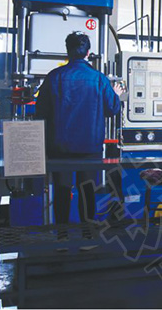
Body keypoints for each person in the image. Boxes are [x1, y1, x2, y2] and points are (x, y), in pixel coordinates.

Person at [35, 32, 124, 239]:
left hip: (59, 147)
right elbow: (112, 109)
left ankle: (62, 237)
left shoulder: (54, 77)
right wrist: (116, 95)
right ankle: (87, 236)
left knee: (62, 191)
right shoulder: (98, 79)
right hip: (89, 147)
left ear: (67, 51)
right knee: (87, 191)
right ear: (88, 53)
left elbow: (41, 111)